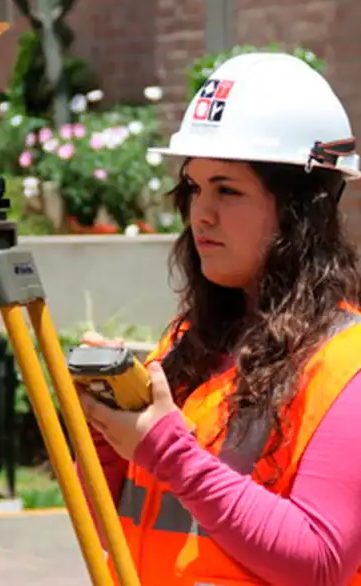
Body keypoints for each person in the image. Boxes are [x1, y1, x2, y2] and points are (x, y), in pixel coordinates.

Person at [74, 52, 361, 586]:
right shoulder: (185, 345)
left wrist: (170, 455)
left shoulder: (348, 367)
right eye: (194, 187)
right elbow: (117, 530)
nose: (200, 213)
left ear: (304, 207)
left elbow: (321, 562)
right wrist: (106, 440)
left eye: (228, 189)